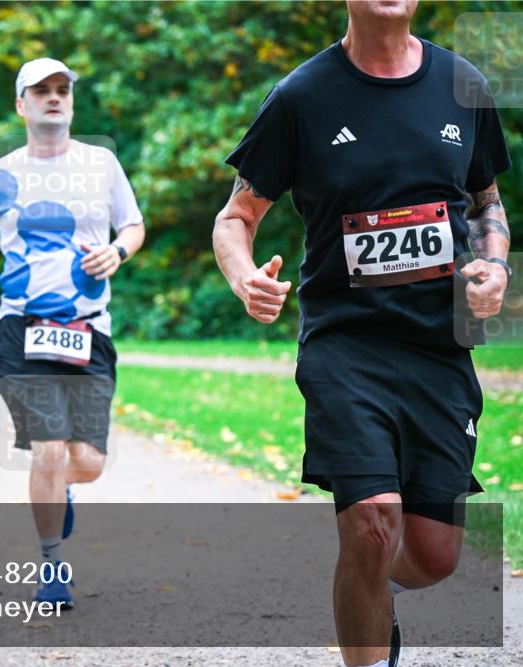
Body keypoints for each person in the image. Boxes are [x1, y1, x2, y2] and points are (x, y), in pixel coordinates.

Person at [213, 2, 511, 665]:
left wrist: (494, 262)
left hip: (439, 347)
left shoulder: (463, 84)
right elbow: (235, 216)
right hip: (344, 345)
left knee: (433, 555)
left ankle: (372, 586)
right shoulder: (302, 96)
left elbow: (488, 201)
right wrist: (244, 279)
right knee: (373, 520)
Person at [0, 58, 145, 608]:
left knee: (86, 460)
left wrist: (119, 249)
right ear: (21, 105)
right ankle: (52, 564)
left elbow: (132, 223)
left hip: (89, 328)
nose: (54, 98)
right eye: (41, 91)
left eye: (62, 90)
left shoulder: (101, 165)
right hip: (22, 327)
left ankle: (59, 487)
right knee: (47, 448)